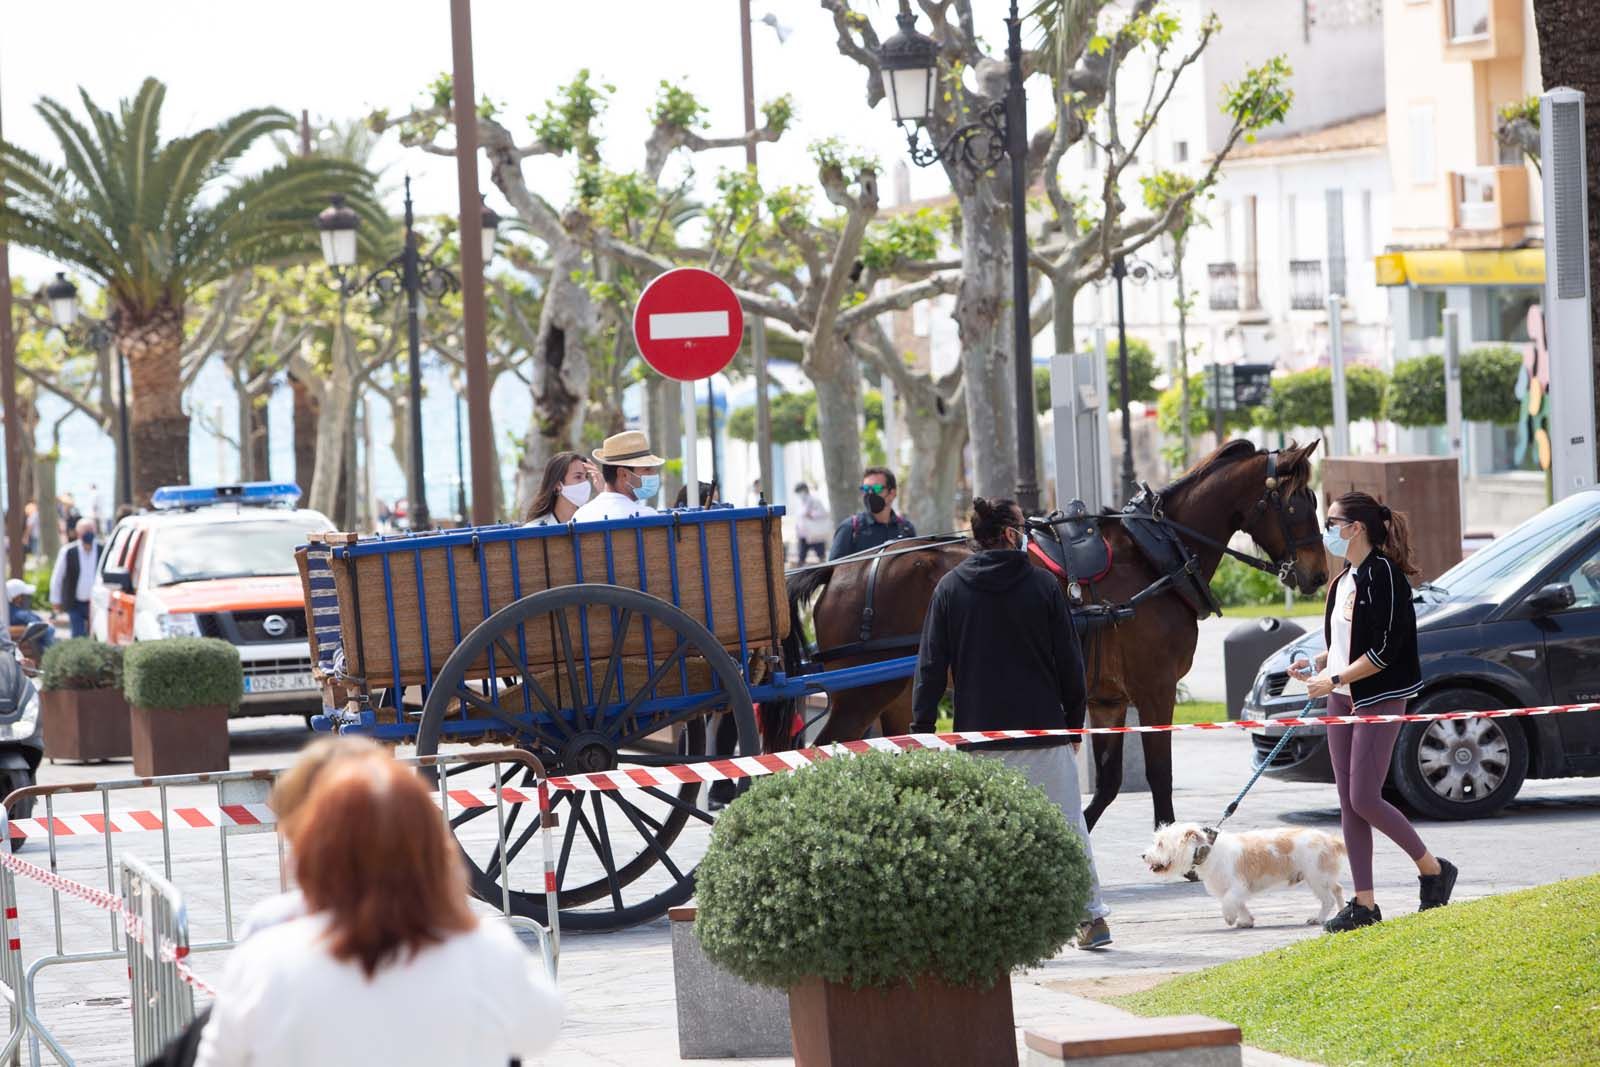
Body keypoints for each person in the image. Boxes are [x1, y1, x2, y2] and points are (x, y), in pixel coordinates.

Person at [194, 755, 562, 1066]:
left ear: (310, 856)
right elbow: (542, 1029)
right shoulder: (487, 950)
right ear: (435, 849)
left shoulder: (265, 961)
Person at [910, 497, 1113, 950]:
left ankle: (985, 929)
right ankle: (1091, 920)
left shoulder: (949, 589)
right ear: (1008, 534)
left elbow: (929, 668)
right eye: (1022, 525)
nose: (1027, 532)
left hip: (979, 738)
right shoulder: (1043, 587)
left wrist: (922, 729)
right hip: (1043, 732)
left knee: (982, 836)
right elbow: (1070, 664)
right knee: (1068, 828)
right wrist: (1072, 723)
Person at [1289, 492, 1457, 934]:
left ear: (1355, 527)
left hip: (1379, 695)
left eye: (1332, 522)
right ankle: (1365, 904)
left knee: (1365, 797)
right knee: (1348, 802)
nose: (1326, 531)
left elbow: (1384, 651)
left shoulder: (1385, 576)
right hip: (1342, 695)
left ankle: (1433, 869)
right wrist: (1318, 664)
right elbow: (1347, 641)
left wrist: (1337, 680)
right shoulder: (1344, 578)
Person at [573, 430, 665, 522]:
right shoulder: (648, 516)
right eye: (647, 469)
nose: (654, 474)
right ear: (623, 474)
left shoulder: (580, 516)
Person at [828, 466, 916, 560]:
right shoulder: (850, 528)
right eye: (865, 489)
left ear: (892, 494)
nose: (869, 493)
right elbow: (831, 570)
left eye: (876, 488)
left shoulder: (906, 529)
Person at [49, 518, 99, 638]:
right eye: (85, 530)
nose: (88, 533)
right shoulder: (68, 551)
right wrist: (55, 600)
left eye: (91, 530)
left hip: (96, 602)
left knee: (95, 633)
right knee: (78, 633)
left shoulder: (102, 549)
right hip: (75, 602)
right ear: (78, 533)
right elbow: (58, 576)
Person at [524, 451, 597, 526]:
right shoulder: (535, 528)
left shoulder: (594, 520)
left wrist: (603, 492)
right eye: (578, 477)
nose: (585, 483)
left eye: (587, 476)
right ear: (558, 484)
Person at [5, 579, 53, 654]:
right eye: (25, 595)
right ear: (17, 597)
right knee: (50, 629)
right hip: (35, 656)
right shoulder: (21, 614)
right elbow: (44, 628)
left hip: (19, 652)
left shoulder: (6, 612)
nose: (27, 598)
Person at [792, 483, 832, 564]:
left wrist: (811, 515)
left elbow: (823, 513)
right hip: (803, 533)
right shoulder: (800, 503)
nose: (799, 494)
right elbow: (799, 517)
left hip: (815, 533)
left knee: (821, 554)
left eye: (800, 492)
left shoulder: (815, 500)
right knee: (801, 556)